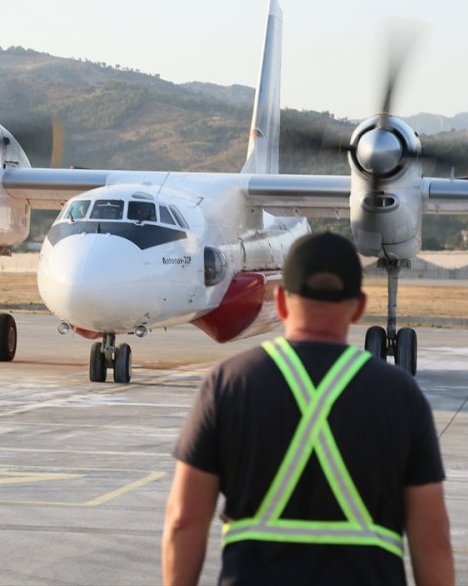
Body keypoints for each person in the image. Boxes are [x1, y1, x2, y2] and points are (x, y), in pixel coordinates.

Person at [162, 231, 453, 586]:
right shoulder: (401, 395)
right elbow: (433, 540)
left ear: (281, 302)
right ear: (359, 308)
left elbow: (184, 520)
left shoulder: (228, 384)